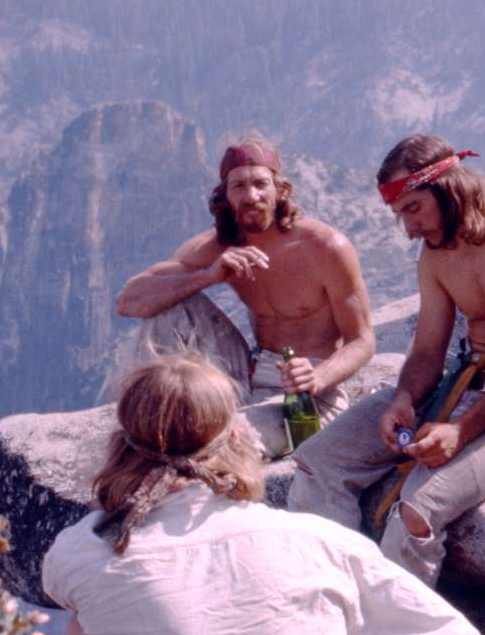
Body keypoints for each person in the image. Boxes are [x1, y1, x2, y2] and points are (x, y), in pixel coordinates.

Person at [42, 353, 485, 635]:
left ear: (121, 446)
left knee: (87, 621)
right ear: (237, 438)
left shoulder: (83, 549)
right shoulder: (316, 542)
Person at [287, 135, 485, 587]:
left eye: (413, 209)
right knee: (319, 461)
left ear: (448, 187)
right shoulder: (436, 257)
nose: (409, 229)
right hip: (458, 386)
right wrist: (404, 398)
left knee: (417, 511)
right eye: (400, 215)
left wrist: (461, 431)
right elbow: (428, 350)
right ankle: (341, 604)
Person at [114, 134, 374, 457]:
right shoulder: (221, 245)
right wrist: (208, 276)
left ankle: (190, 438)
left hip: (307, 396)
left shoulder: (325, 247)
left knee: (218, 447)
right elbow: (129, 301)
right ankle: (148, 419)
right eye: (239, 186)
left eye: (260, 184)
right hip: (246, 374)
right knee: (171, 306)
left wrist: (317, 377)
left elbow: (362, 340)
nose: (251, 196)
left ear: (281, 190)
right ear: (225, 196)